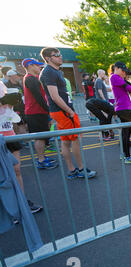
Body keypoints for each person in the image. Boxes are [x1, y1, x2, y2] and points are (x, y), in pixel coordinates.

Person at [39, 47, 97, 180]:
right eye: (57, 55)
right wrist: (70, 111)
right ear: (48, 58)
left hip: (62, 111)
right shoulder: (48, 72)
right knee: (75, 139)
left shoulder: (54, 71)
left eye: (60, 54)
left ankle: (72, 170)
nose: (60, 57)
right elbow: (54, 96)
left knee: (65, 141)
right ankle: (81, 169)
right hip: (63, 112)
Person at [0, 88, 43, 214]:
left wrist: (12, 101)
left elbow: (10, 114)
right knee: (3, 175)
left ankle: (22, 201)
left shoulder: (2, 85)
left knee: (16, 170)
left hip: (10, 136)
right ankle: (7, 207)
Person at [21, 58, 57, 170]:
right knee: (39, 137)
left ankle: (42, 157)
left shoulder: (32, 78)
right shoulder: (30, 79)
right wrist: (49, 111)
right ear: (30, 66)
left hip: (37, 112)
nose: (39, 68)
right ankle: (41, 160)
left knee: (42, 137)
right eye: (37, 66)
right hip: (35, 112)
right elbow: (39, 98)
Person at [110, 62, 131, 164]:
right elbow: (130, 88)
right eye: (122, 70)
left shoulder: (118, 78)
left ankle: (125, 154)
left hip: (124, 108)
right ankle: (127, 156)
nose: (124, 73)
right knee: (126, 133)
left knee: (126, 133)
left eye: (124, 71)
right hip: (123, 108)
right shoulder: (114, 77)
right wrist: (130, 85)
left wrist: (129, 85)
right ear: (116, 68)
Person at [86, 69, 116, 141]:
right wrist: (104, 100)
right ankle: (105, 134)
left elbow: (104, 89)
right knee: (104, 119)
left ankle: (107, 134)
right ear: (100, 74)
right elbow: (99, 91)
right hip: (101, 102)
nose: (104, 75)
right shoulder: (99, 81)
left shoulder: (99, 81)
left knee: (104, 119)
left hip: (101, 103)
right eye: (103, 74)